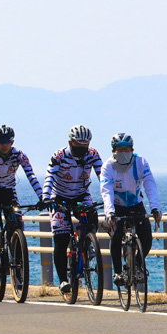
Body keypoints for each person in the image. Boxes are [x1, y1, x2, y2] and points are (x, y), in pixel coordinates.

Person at [41, 125, 104, 296]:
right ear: (70, 142)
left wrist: (111, 197)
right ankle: (62, 280)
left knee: (92, 214)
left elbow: (103, 177)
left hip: (82, 194)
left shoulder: (93, 155)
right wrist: (46, 197)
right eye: (78, 146)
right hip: (59, 197)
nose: (82, 149)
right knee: (61, 239)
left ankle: (89, 243)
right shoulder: (59, 156)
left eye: (85, 146)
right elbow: (49, 178)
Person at [99, 133, 162, 286]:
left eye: (126, 149)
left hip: (136, 204)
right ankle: (118, 272)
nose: (123, 153)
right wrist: (110, 212)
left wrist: (155, 207)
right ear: (113, 151)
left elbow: (150, 185)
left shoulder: (140, 162)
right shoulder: (107, 166)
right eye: (119, 150)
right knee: (116, 234)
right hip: (117, 206)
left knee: (146, 236)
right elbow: (106, 191)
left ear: (132, 149)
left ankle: (138, 264)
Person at [0, 125, 42, 253]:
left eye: (7, 142)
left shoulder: (20, 155)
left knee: (16, 220)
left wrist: (42, 197)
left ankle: (16, 252)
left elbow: (31, 176)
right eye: (1, 142)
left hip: (9, 190)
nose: (4, 145)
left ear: (12, 142)